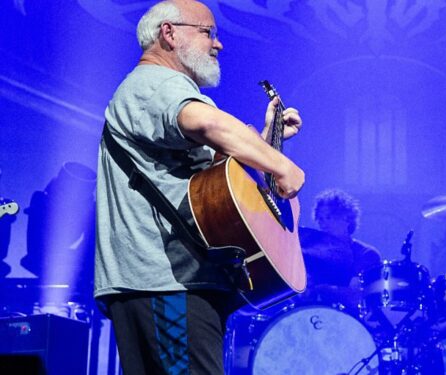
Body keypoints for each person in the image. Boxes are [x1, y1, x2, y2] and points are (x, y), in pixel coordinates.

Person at [94, 1, 304, 374]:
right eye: (207, 32)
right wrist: (280, 164)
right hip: (165, 284)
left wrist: (267, 141)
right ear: (169, 34)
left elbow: (219, 184)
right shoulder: (156, 83)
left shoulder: (159, 90)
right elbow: (207, 124)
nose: (218, 44)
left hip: (171, 284)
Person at [299, 188, 381, 309]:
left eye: (329, 217)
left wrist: (321, 289)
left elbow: (355, 296)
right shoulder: (312, 253)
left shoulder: (366, 254)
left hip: (350, 321)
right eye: (320, 219)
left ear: (346, 218)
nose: (323, 224)